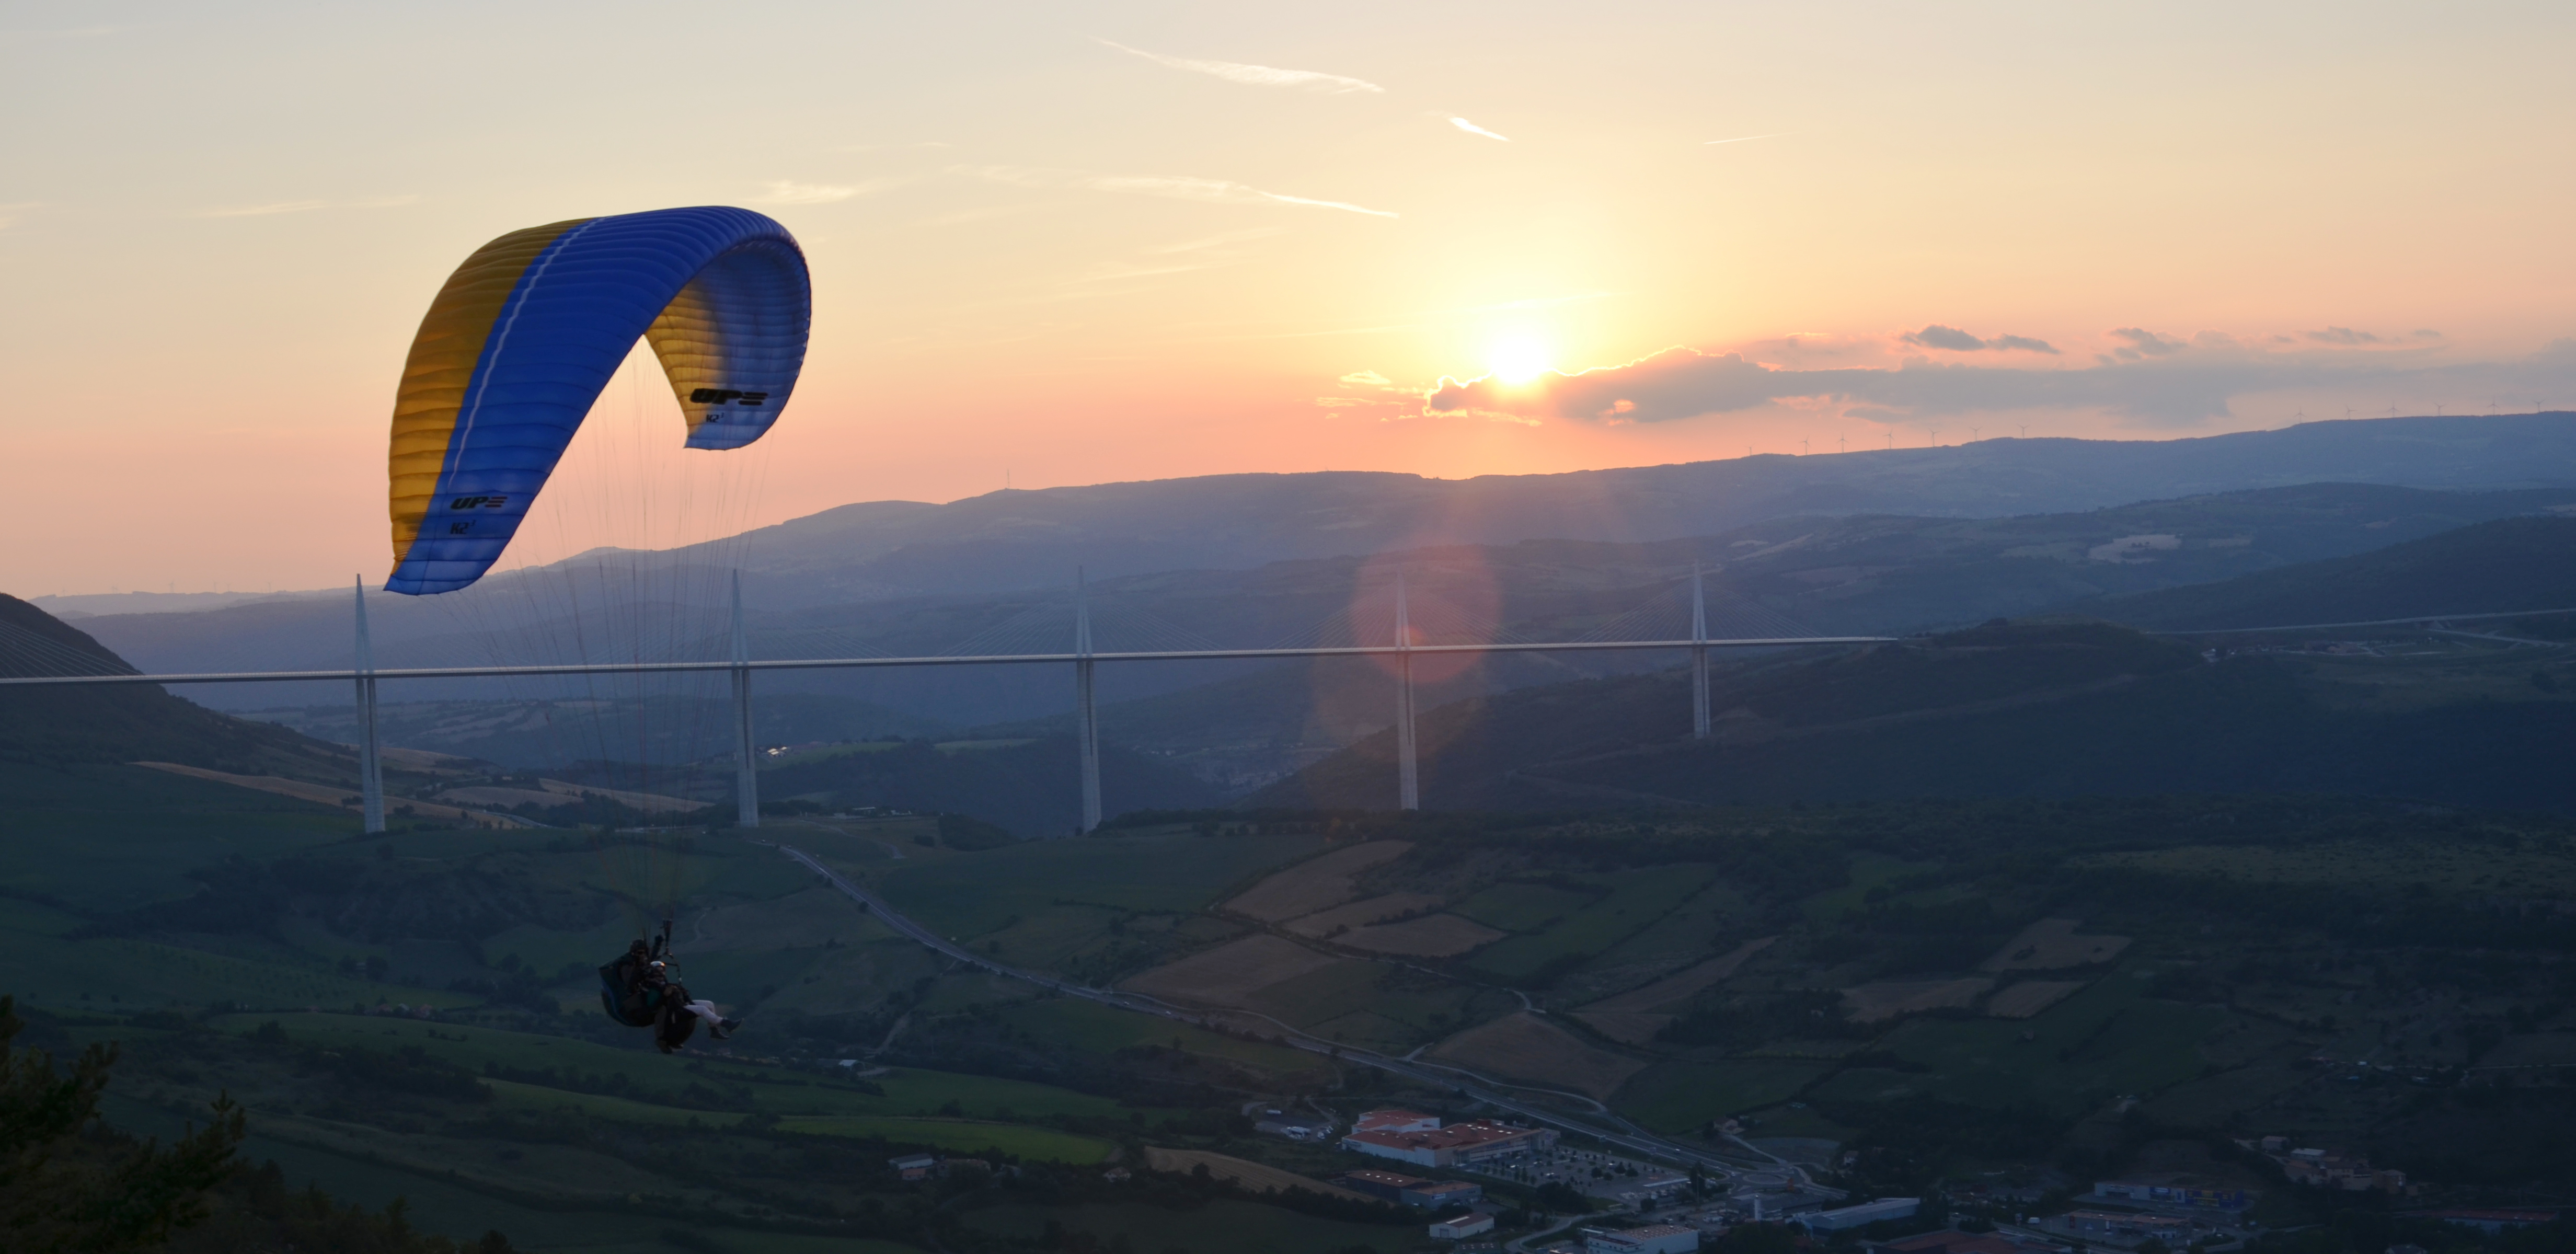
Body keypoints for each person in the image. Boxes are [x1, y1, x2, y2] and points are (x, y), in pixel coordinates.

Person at [605, 937, 740, 1052]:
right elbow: (638, 987)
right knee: (703, 1010)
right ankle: (726, 1023)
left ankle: (714, 1030)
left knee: (709, 1004)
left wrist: (658, 945)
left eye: (662, 970)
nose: (661, 973)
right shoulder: (645, 978)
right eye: (658, 971)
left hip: (678, 1003)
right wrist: (664, 992)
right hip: (673, 1007)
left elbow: (651, 958)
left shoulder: (658, 977)